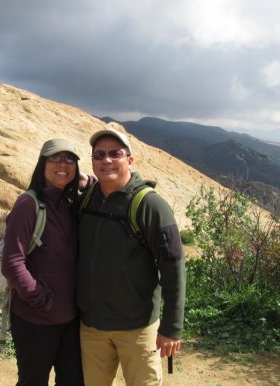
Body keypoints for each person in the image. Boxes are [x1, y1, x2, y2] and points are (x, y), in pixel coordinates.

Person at [77, 129, 186, 385]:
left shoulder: (151, 205)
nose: (106, 160)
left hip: (137, 328)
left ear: (129, 160)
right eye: (99, 155)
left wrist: (171, 327)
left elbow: (174, 267)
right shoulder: (87, 200)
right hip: (91, 327)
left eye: (115, 154)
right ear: (92, 161)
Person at [1, 138, 85, 386]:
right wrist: (42, 300)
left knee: (73, 381)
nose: (63, 164)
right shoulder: (29, 204)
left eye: (70, 159)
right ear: (42, 164)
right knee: (33, 381)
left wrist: (87, 180)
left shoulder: (69, 203)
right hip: (35, 319)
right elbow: (12, 263)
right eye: (55, 158)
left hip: (70, 320)